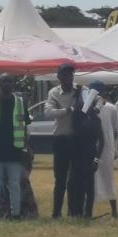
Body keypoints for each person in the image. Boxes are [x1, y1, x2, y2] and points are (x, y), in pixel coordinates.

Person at [0, 73, 30, 222]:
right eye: (4, 81)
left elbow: (25, 128)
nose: (8, 84)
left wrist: (25, 148)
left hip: (14, 150)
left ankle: (15, 214)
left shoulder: (20, 103)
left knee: (14, 184)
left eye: (10, 81)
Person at [44, 62, 83, 219]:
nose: (69, 77)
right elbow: (48, 113)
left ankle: (73, 212)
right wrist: (68, 110)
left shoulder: (80, 90)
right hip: (60, 139)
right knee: (60, 179)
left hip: (76, 140)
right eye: (66, 74)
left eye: (71, 74)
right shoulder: (54, 93)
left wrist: (93, 107)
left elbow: (97, 101)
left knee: (74, 179)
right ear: (59, 77)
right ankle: (56, 212)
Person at [69, 87, 104, 218]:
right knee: (75, 185)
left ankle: (88, 212)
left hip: (90, 155)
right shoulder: (76, 118)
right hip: (76, 155)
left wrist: (96, 159)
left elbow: (102, 141)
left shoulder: (96, 120)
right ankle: (75, 211)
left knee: (89, 186)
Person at [93, 81, 118, 219]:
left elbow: (115, 130)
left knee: (108, 178)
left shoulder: (111, 108)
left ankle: (114, 210)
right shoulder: (90, 109)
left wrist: (114, 148)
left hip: (107, 148)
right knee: (91, 178)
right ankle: (89, 209)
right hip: (93, 147)